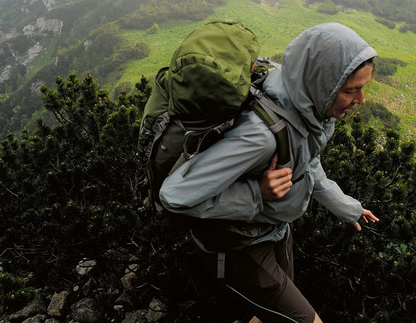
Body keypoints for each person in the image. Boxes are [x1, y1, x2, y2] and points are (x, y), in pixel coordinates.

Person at [159, 22, 380, 323]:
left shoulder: (303, 104)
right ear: (321, 83)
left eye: (363, 88)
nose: (361, 100)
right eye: (351, 90)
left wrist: (347, 208)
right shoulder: (260, 136)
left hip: (274, 231)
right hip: (240, 247)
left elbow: (307, 162)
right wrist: (255, 194)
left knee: (265, 316)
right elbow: (173, 195)